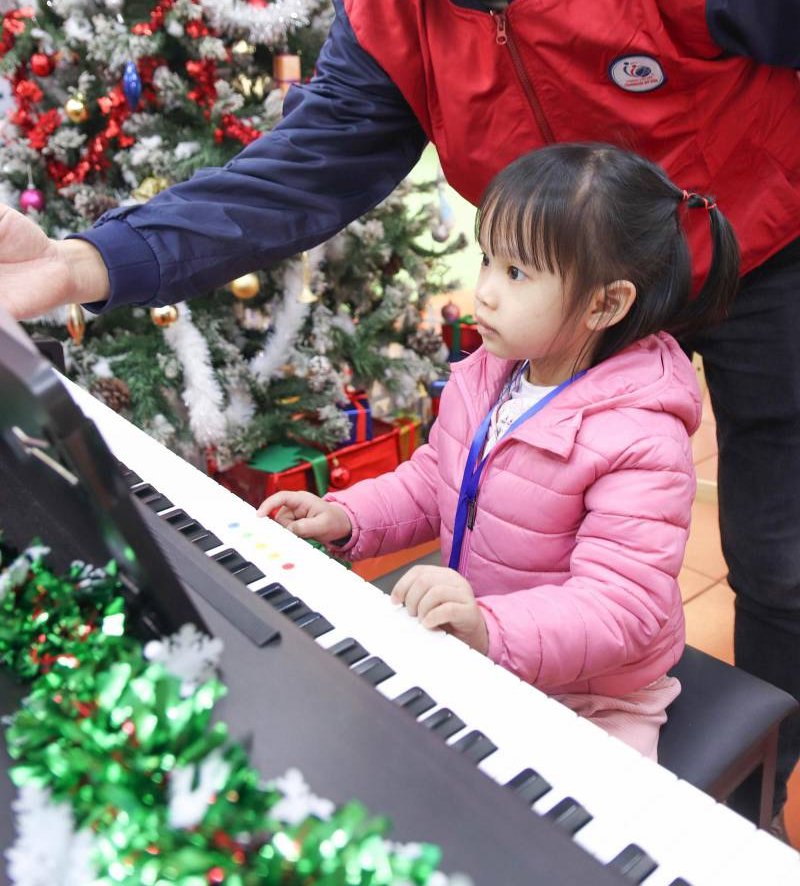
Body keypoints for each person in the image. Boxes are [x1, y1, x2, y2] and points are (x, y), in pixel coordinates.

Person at [0, 0, 798, 817]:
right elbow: (285, 182)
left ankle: (747, 819)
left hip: (768, 265)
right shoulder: (386, 16)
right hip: (575, 313)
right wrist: (83, 264)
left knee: (779, 559)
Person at [259, 143, 740, 759]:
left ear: (605, 304)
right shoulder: (493, 373)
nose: (483, 291)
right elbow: (437, 476)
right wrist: (349, 516)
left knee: (563, 838)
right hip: (488, 645)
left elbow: (622, 609)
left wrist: (492, 628)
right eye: (488, 259)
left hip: (589, 694)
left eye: (516, 274)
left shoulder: (641, 437)